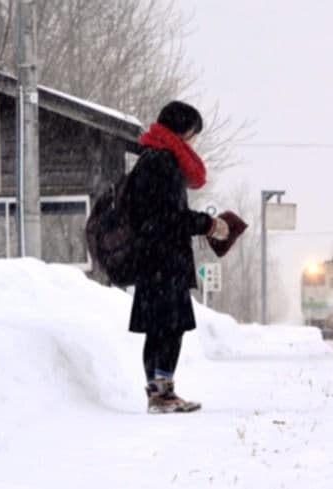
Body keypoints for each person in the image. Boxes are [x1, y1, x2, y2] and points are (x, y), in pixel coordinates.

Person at [127, 101, 229, 414]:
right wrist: (209, 224)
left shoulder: (149, 159)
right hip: (164, 261)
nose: (193, 141)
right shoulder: (164, 163)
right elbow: (171, 217)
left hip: (150, 260)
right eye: (192, 134)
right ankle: (162, 394)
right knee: (169, 328)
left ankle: (159, 393)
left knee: (159, 328)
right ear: (182, 130)